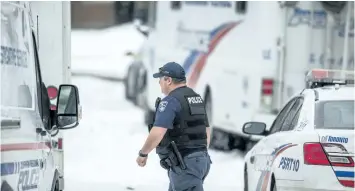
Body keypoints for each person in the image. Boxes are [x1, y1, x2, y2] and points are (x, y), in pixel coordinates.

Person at [136, 62, 212, 191]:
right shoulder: (195, 98)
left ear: (168, 80)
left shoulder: (170, 101)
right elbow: (206, 130)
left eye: (160, 79)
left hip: (185, 163)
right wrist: (199, 154)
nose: (159, 82)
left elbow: (158, 132)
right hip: (201, 161)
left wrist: (143, 153)